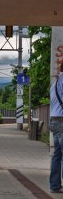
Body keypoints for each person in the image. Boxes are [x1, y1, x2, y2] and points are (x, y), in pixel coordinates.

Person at [49, 62, 63, 193]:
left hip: (54, 120)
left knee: (57, 155)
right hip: (62, 121)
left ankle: (54, 185)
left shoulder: (56, 83)